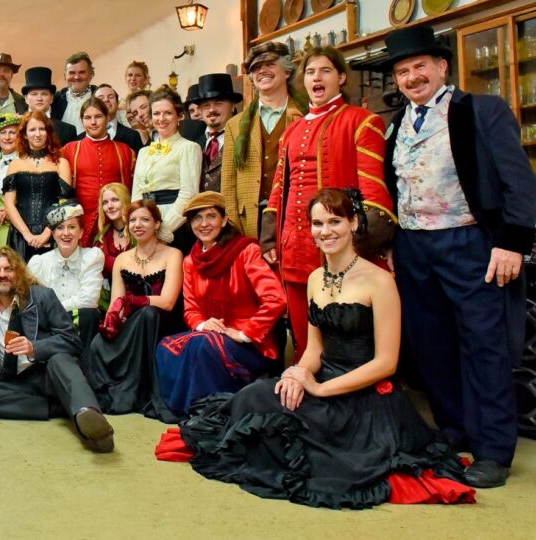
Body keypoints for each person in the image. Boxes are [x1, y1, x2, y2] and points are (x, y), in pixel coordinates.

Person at [155, 189, 475, 509]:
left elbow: (386, 363)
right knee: (254, 397)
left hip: (363, 395)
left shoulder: (380, 281)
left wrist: (320, 389)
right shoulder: (315, 278)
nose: (325, 231)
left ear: (353, 223)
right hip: (321, 378)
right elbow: (313, 349)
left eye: (335, 222)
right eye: (318, 223)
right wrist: (296, 374)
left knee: (318, 453)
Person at [383, 26, 536, 488]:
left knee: (483, 345)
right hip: (414, 245)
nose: (412, 77)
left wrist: (512, 242)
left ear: (442, 67)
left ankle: (493, 449)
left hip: (469, 242)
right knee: (431, 344)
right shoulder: (396, 123)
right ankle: (455, 428)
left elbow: (518, 179)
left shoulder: (481, 110)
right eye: (403, 71)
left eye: (420, 67)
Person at [261, 47, 395, 360]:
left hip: (341, 245)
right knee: (302, 333)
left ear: (341, 78)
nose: (316, 77)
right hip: (295, 247)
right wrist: (270, 237)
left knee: (346, 338)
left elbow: (373, 189)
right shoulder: (291, 132)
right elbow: (279, 187)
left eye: (325, 71)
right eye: (310, 72)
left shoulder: (362, 121)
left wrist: (369, 241)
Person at [0, 247, 115, 453]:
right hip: (12, 382)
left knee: (60, 359)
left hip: (46, 374)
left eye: (8, 269)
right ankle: (60, 407)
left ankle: (89, 415)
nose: (2, 275)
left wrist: (34, 348)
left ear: (18, 271)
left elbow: (71, 340)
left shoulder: (42, 296)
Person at [155, 192, 286, 417]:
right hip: (210, 336)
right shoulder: (190, 261)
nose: (203, 224)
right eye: (197, 218)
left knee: (204, 345)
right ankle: (187, 409)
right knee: (166, 346)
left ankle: (207, 412)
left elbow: (276, 298)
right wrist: (203, 324)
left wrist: (246, 333)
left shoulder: (247, 251)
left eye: (211, 216)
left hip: (252, 344)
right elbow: (191, 309)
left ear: (225, 220)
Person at [82, 201, 182, 415]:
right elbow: (116, 303)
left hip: (160, 322)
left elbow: (167, 302)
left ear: (157, 224)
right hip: (131, 322)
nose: (138, 225)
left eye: (145, 219)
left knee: (148, 313)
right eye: (133, 220)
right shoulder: (122, 259)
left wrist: (133, 301)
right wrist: (111, 322)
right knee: (99, 342)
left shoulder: (173, 254)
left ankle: (143, 391)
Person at [221, 42, 304, 238]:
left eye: (270, 64)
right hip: (249, 219)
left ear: (287, 71)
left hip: (294, 213)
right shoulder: (234, 125)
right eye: (256, 68)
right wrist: (234, 225)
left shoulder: (304, 116)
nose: (262, 71)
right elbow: (228, 183)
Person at [131, 87, 202, 252]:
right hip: (145, 225)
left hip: (176, 225)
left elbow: (189, 194)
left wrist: (163, 231)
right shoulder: (144, 152)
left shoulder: (189, 147)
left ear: (179, 115)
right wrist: (138, 223)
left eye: (168, 113)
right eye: (156, 113)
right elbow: (136, 193)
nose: (161, 119)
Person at [27, 203, 104, 345]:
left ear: (81, 232)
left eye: (72, 227)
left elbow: (89, 300)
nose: (66, 233)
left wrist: (54, 309)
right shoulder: (39, 263)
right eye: (60, 228)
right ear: (53, 234)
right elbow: (33, 304)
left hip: (82, 326)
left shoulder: (92, 257)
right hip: (51, 328)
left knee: (88, 314)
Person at [63, 98, 136, 245]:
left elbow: (134, 188)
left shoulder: (124, 151)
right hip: (81, 220)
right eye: (87, 118)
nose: (93, 122)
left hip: (115, 222)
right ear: (82, 120)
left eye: (98, 117)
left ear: (107, 117)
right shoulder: (69, 150)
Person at [4, 112, 74, 262]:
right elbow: (9, 204)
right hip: (20, 235)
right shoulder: (15, 164)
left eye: (42, 129)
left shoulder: (61, 163)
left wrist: (46, 234)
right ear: (24, 134)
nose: (37, 134)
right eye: (32, 129)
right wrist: (27, 235)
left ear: (48, 133)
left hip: (53, 232)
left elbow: (65, 203)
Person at [191, 74, 242, 193]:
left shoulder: (244, 139)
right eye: (206, 105)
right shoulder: (195, 144)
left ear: (233, 106)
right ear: (200, 110)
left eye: (219, 103)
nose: (212, 110)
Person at [0, 113, 21, 246]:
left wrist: (11, 213)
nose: (7, 137)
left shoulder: (27, 163)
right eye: (3, 133)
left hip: (20, 230)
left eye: (12, 132)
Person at [22, 66, 79, 143]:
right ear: (26, 98)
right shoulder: (15, 126)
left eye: (44, 94)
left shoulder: (68, 130)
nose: (39, 98)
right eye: (34, 94)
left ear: (52, 98)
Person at [93, 183, 133, 281]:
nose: (109, 206)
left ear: (126, 201)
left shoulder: (138, 231)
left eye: (115, 200)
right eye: (105, 202)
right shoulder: (101, 238)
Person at [53, 52, 97, 133]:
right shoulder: (55, 99)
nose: (77, 77)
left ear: (91, 75)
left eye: (82, 72)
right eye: (72, 73)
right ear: (65, 76)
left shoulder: (100, 97)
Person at [121, 61, 150, 126]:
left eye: (138, 75)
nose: (133, 78)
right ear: (126, 78)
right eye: (130, 75)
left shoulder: (152, 99)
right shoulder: (118, 105)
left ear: (145, 79)